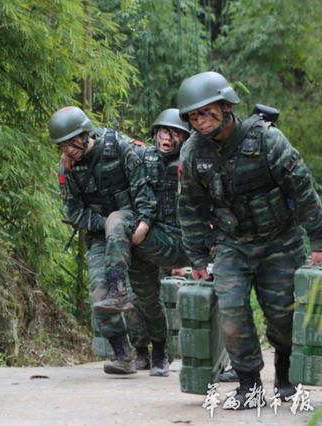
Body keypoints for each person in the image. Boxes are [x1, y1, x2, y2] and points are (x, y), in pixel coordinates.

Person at [177, 71, 322, 409]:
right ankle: (249, 385)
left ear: (226, 106)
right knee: (231, 313)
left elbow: (302, 189)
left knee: (283, 317)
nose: (201, 121)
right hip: (232, 244)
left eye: (207, 112)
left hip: (280, 241)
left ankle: (285, 377)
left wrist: (318, 242)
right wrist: (197, 259)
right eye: (194, 116)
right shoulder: (192, 154)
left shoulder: (268, 140)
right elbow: (191, 209)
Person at [52, 106, 190, 377]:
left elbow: (145, 187)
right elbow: (75, 212)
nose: (69, 150)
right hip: (102, 234)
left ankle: (159, 350)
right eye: (63, 146)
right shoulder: (68, 169)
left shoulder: (118, 147)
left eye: (72, 142)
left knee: (145, 296)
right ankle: (122, 355)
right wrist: (107, 225)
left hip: (134, 228)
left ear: (86, 134)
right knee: (99, 295)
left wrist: (143, 223)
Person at [122, 109, 190, 370]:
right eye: (163, 132)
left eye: (175, 133)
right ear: (155, 134)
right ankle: (145, 351)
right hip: (147, 238)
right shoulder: (141, 156)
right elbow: (106, 144)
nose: (168, 138)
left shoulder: (194, 161)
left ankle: (161, 350)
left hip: (181, 240)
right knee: (139, 298)